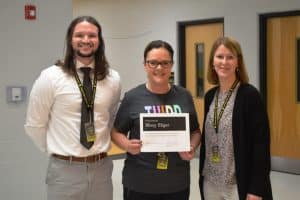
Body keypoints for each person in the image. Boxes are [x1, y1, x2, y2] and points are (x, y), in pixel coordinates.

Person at [24, 16, 121, 200]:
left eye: (92, 35)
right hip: (64, 172)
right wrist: (60, 151)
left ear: (99, 40)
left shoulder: (112, 79)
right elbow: (34, 125)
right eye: (79, 35)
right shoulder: (50, 77)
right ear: (70, 39)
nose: (86, 40)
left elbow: (110, 118)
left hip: (101, 169)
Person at [112, 40, 201, 200]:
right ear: (145, 65)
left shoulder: (184, 96)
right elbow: (116, 131)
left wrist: (192, 147)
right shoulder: (132, 97)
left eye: (165, 63)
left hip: (177, 182)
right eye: (153, 63)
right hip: (140, 183)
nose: (159, 68)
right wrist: (126, 145)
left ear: (171, 65)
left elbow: (195, 131)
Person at [199, 36, 273, 200]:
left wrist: (256, 188)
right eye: (219, 56)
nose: (224, 62)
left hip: (239, 184)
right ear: (212, 61)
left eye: (230, 57)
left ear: (238, 62)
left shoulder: (250, 95)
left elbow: (261, 144)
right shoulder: (210, 96)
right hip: (211, 181)